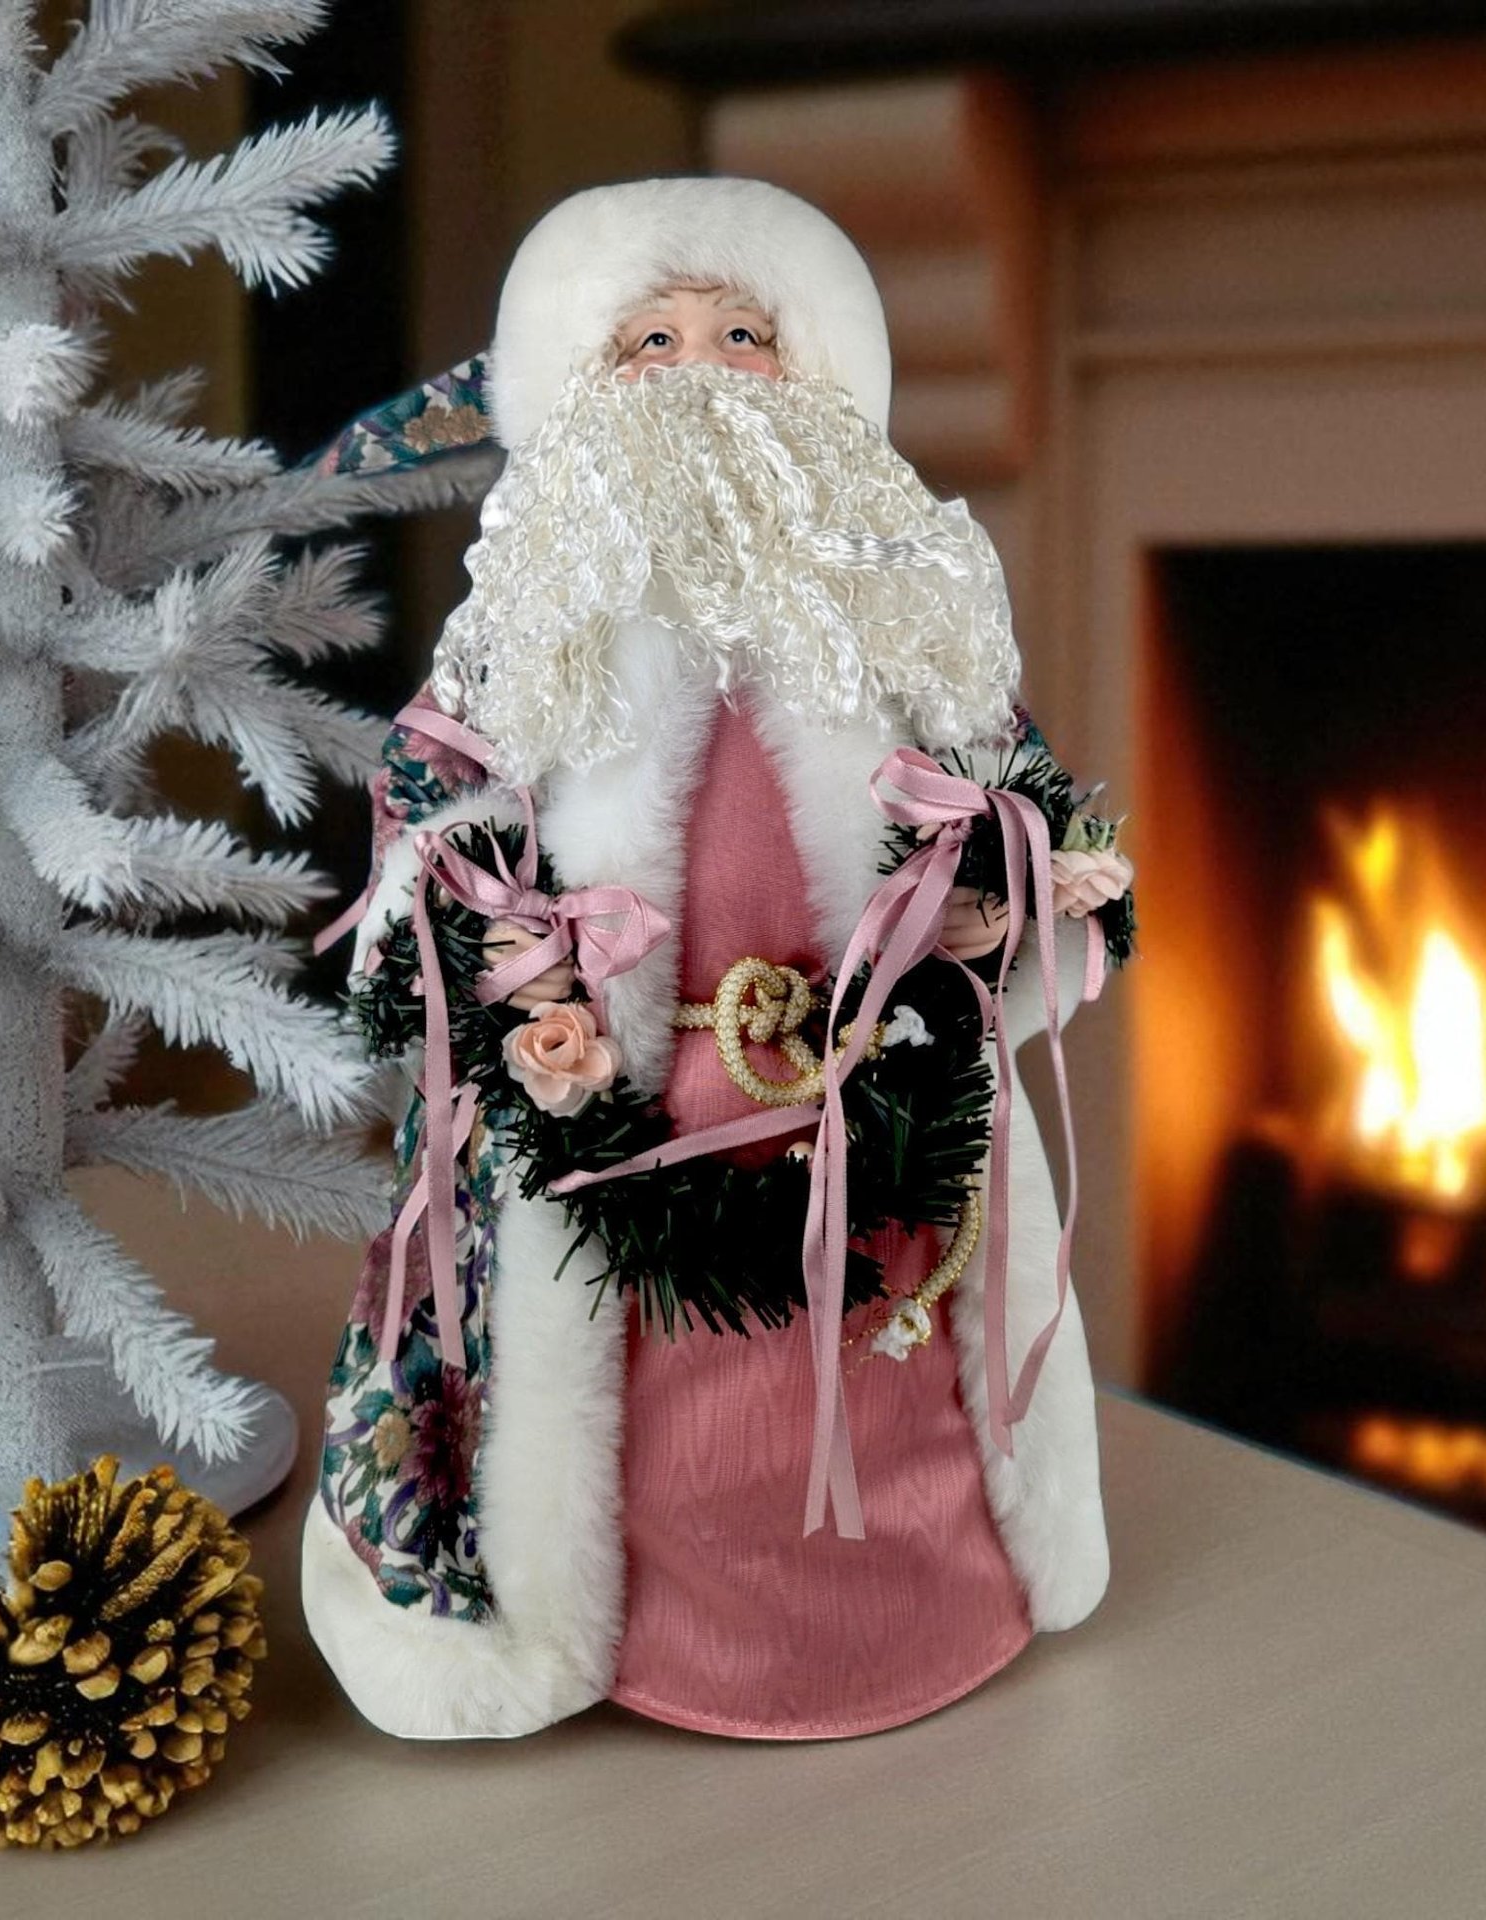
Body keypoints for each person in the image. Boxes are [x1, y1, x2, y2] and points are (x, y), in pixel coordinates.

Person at [302, 177, 1133, 1741]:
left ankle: (927, 1603)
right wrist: (529, 992)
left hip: (870, 1088)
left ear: (813, 370)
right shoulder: (534, 622)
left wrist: (995, 897)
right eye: (652, 337)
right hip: (632, 1107)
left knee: (897, 1365)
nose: (702, 363)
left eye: (745, 332)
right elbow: (433, 831)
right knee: (654, 1407)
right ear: (582, 383)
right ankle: (625, 1627)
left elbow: (1027, 800)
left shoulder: (905, 603)